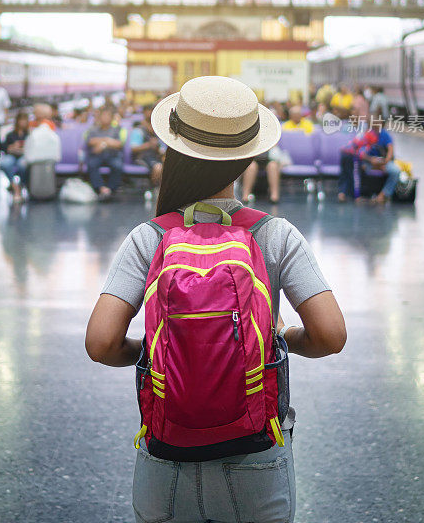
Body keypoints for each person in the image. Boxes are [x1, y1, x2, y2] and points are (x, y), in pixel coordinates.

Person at [85, 76, 346, 523]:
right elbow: (331, 335)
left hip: (166, 455)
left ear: (174, 148)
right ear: (250, 155)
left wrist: (149, 350)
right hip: (256, 454)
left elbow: (101, 343)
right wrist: (280, 337)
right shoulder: (275, 235)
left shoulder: (150, 238)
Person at [338, 109, 400, 203]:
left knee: (395, 171)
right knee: (356, 169)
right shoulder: (366, 134)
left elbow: (390, 150)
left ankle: (383, 195)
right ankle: (357, 194)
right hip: (368, 162)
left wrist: (385, 162)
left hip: (382, 162)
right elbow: (360, 151)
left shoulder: (385, 135)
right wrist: (370, 160)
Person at [85, 105, 127, 200]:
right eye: (103, 116)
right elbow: (90, 141)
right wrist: (107, 141)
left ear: (112, 118)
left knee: (117, 165)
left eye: (107, 116)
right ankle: (100, 188)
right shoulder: (93, 129)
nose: (105, 118)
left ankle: (110, 189)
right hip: (97, 155)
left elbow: (119, 144)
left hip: (112, 155)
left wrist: (103, 144)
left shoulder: (117, 129)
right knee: (91, 164)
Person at [129, 105, 164, 187]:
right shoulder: (138, 130)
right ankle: (155, 189)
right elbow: (133, 149)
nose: (150, 113)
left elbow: (161, 149)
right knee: (158, 167)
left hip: (156, 156)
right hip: (142, 157)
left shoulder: (158, 130)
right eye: (148, 111)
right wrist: (149, 145)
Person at [0, 111, 29, 202]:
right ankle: (14, 185)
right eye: (21, 120)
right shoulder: (10, 135)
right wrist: (11, 147)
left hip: (24, 156)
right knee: (5, 164)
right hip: (12, 155)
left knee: (22, 165)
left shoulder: (29, 135)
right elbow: (2, 147)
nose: (22, 122)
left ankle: (21, 184)